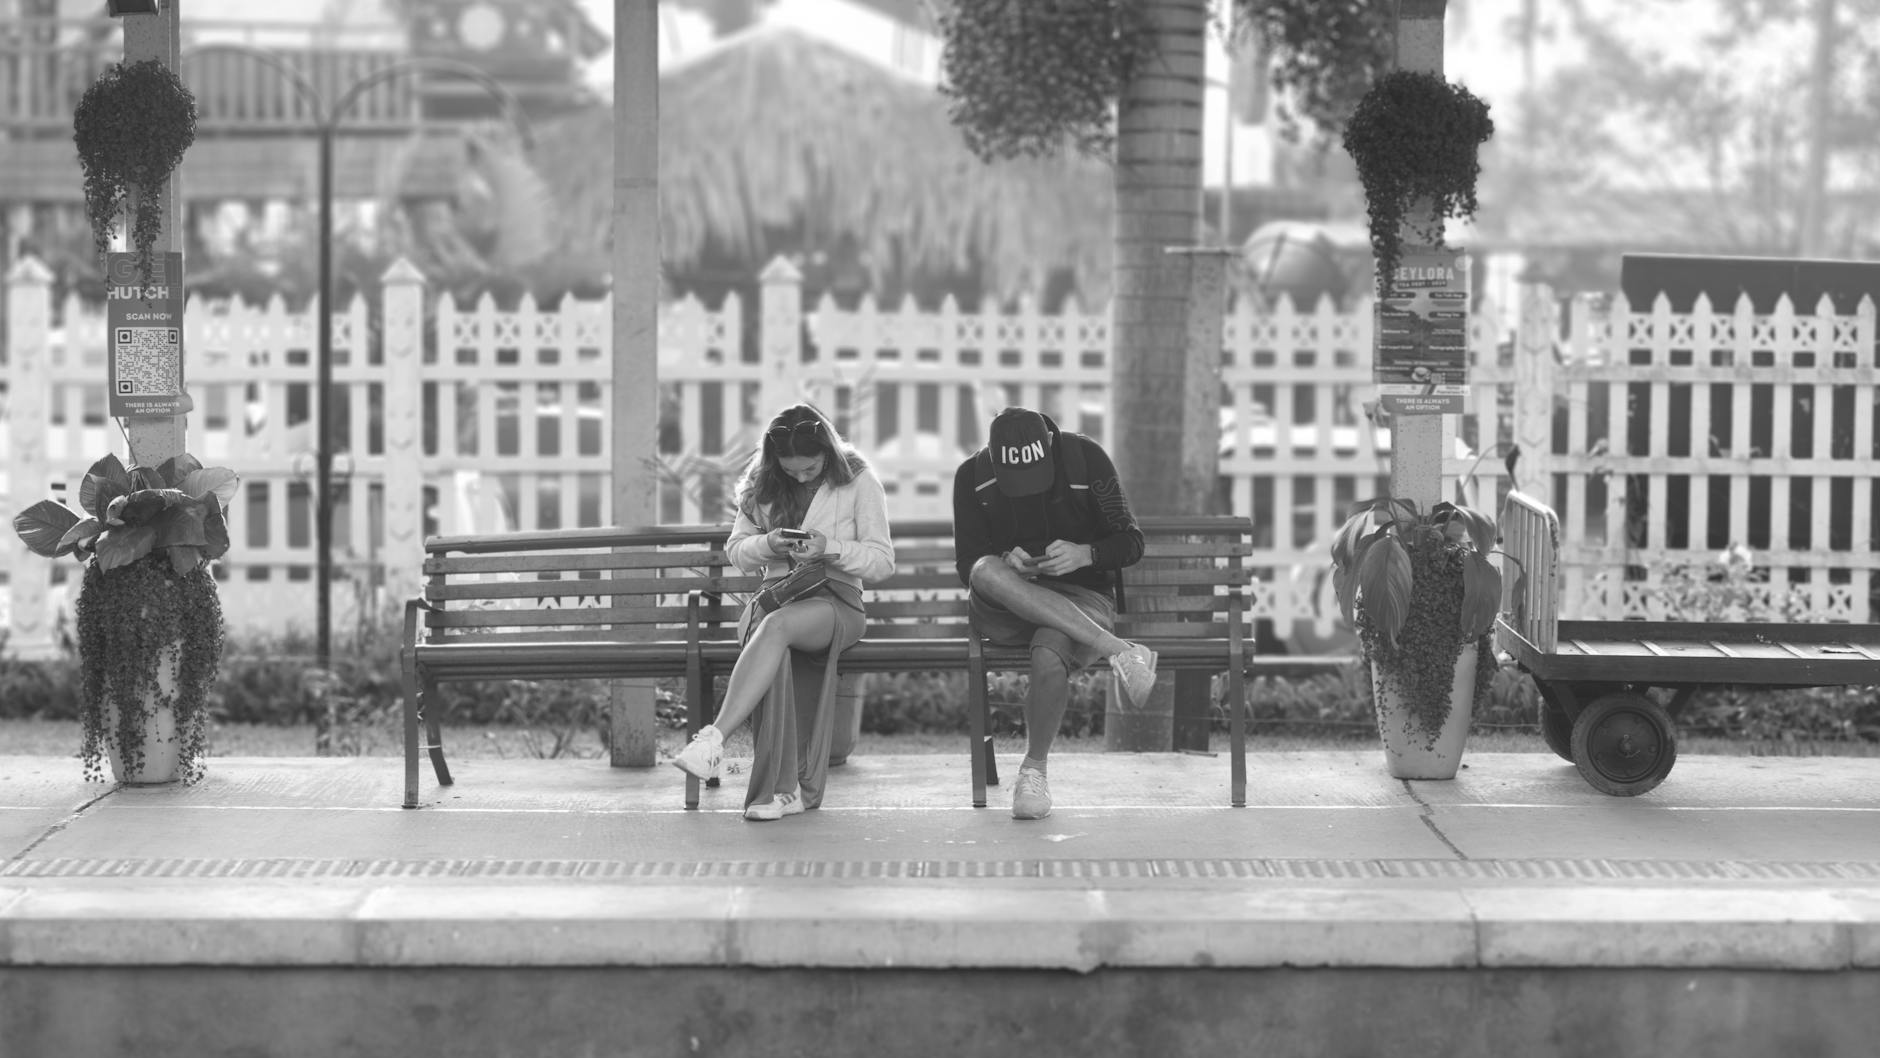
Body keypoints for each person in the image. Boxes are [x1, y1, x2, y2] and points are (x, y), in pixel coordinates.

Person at [671, 403, 895, 820]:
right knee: (771, 640)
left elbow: (882, 561)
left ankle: (714, 740)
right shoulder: (763, 484)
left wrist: (830, 548)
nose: (800, 477)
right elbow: (737, 551)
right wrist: (769, 544)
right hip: (776, 595)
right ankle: (781, 795)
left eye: (809, 468)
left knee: (773, 629)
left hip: (835, 602)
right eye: (791, 470)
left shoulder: (859, 479)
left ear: (827, 451)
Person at [952, 406, 1157, 820]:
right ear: (993, 456)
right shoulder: (971, 475)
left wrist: (1087, 554)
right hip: (1007, 603)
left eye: (1034, 479)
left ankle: (1033, 773)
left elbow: (1131, 543)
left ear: (1048, 445)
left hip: (1083, 598)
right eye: (1015, 483)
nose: (1026, 492)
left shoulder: (1086, 458)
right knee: (984, 569)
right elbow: (967, 565)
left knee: (1052, 648)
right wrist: (1008, 561)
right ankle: (1119, 649)